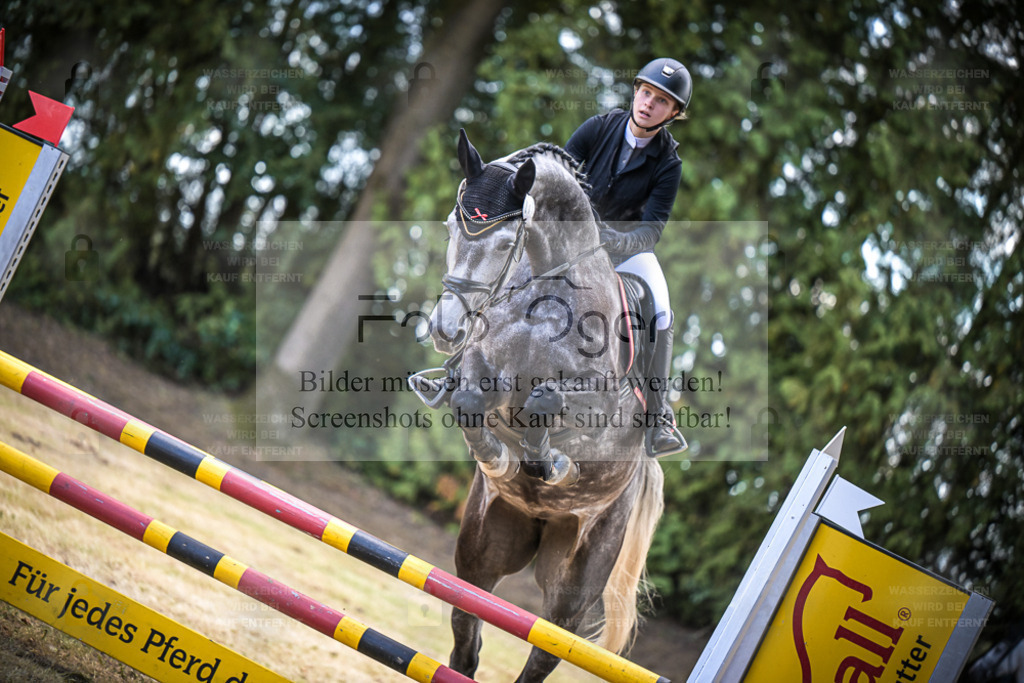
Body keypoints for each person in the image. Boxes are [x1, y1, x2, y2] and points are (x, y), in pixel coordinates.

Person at [565, 57, 691, 456]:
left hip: (624, 253)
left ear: (673, 113)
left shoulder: (669, 163)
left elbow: (652, 230)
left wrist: (611, 240)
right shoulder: (599, 127)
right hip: (571, 239)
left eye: (661, 101)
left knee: (663, 311)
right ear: (636, 91)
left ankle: (658, 418)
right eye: (646, 92)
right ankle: (455, 369)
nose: (649, 103)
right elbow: (559, 170)